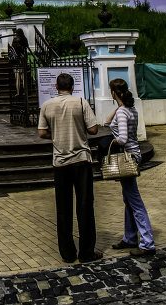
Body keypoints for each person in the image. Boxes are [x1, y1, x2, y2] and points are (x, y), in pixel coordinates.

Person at [38, 73, 101, 264]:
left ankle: (67, 252)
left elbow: (41, 133)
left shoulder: (47, 106)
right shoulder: (81, 103)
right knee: (85, 205)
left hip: (60, 161)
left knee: (63, 208)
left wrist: (56, 135)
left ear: (56, 86)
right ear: (73, 86)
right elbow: (93, 129)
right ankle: (86, 252)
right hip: (81, 159)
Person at [104, 78, 155, 257]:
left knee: (134, 201)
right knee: (128, 199)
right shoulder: (129, 109)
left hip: (127, 158)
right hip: (134, 156)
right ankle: (130, 237)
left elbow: (123, 138)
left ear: (112, 93)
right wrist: (118, 108)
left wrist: (112, 141)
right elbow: (106, 122)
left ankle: (147, 242)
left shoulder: (123, 112)